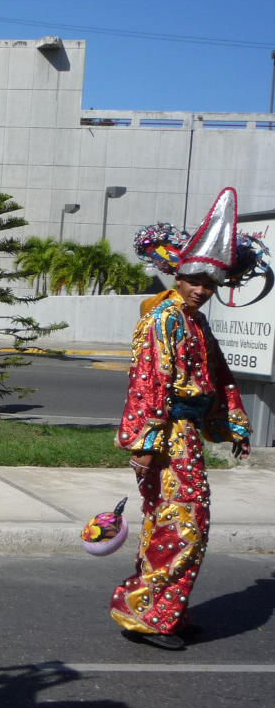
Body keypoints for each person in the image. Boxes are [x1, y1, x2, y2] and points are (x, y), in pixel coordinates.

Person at [112, 188, 261, 651]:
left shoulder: (195, 321)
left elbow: (218, 373)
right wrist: (145, 442)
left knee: (170, 523)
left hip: (184, 435)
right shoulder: (164, 319)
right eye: (194, 278)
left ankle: (156, 609)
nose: (201, 288)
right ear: (177, 273)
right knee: (185, 524)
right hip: (169, 435)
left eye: (209, 283)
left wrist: (234, 423)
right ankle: (152, 614)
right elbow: (149, 382)